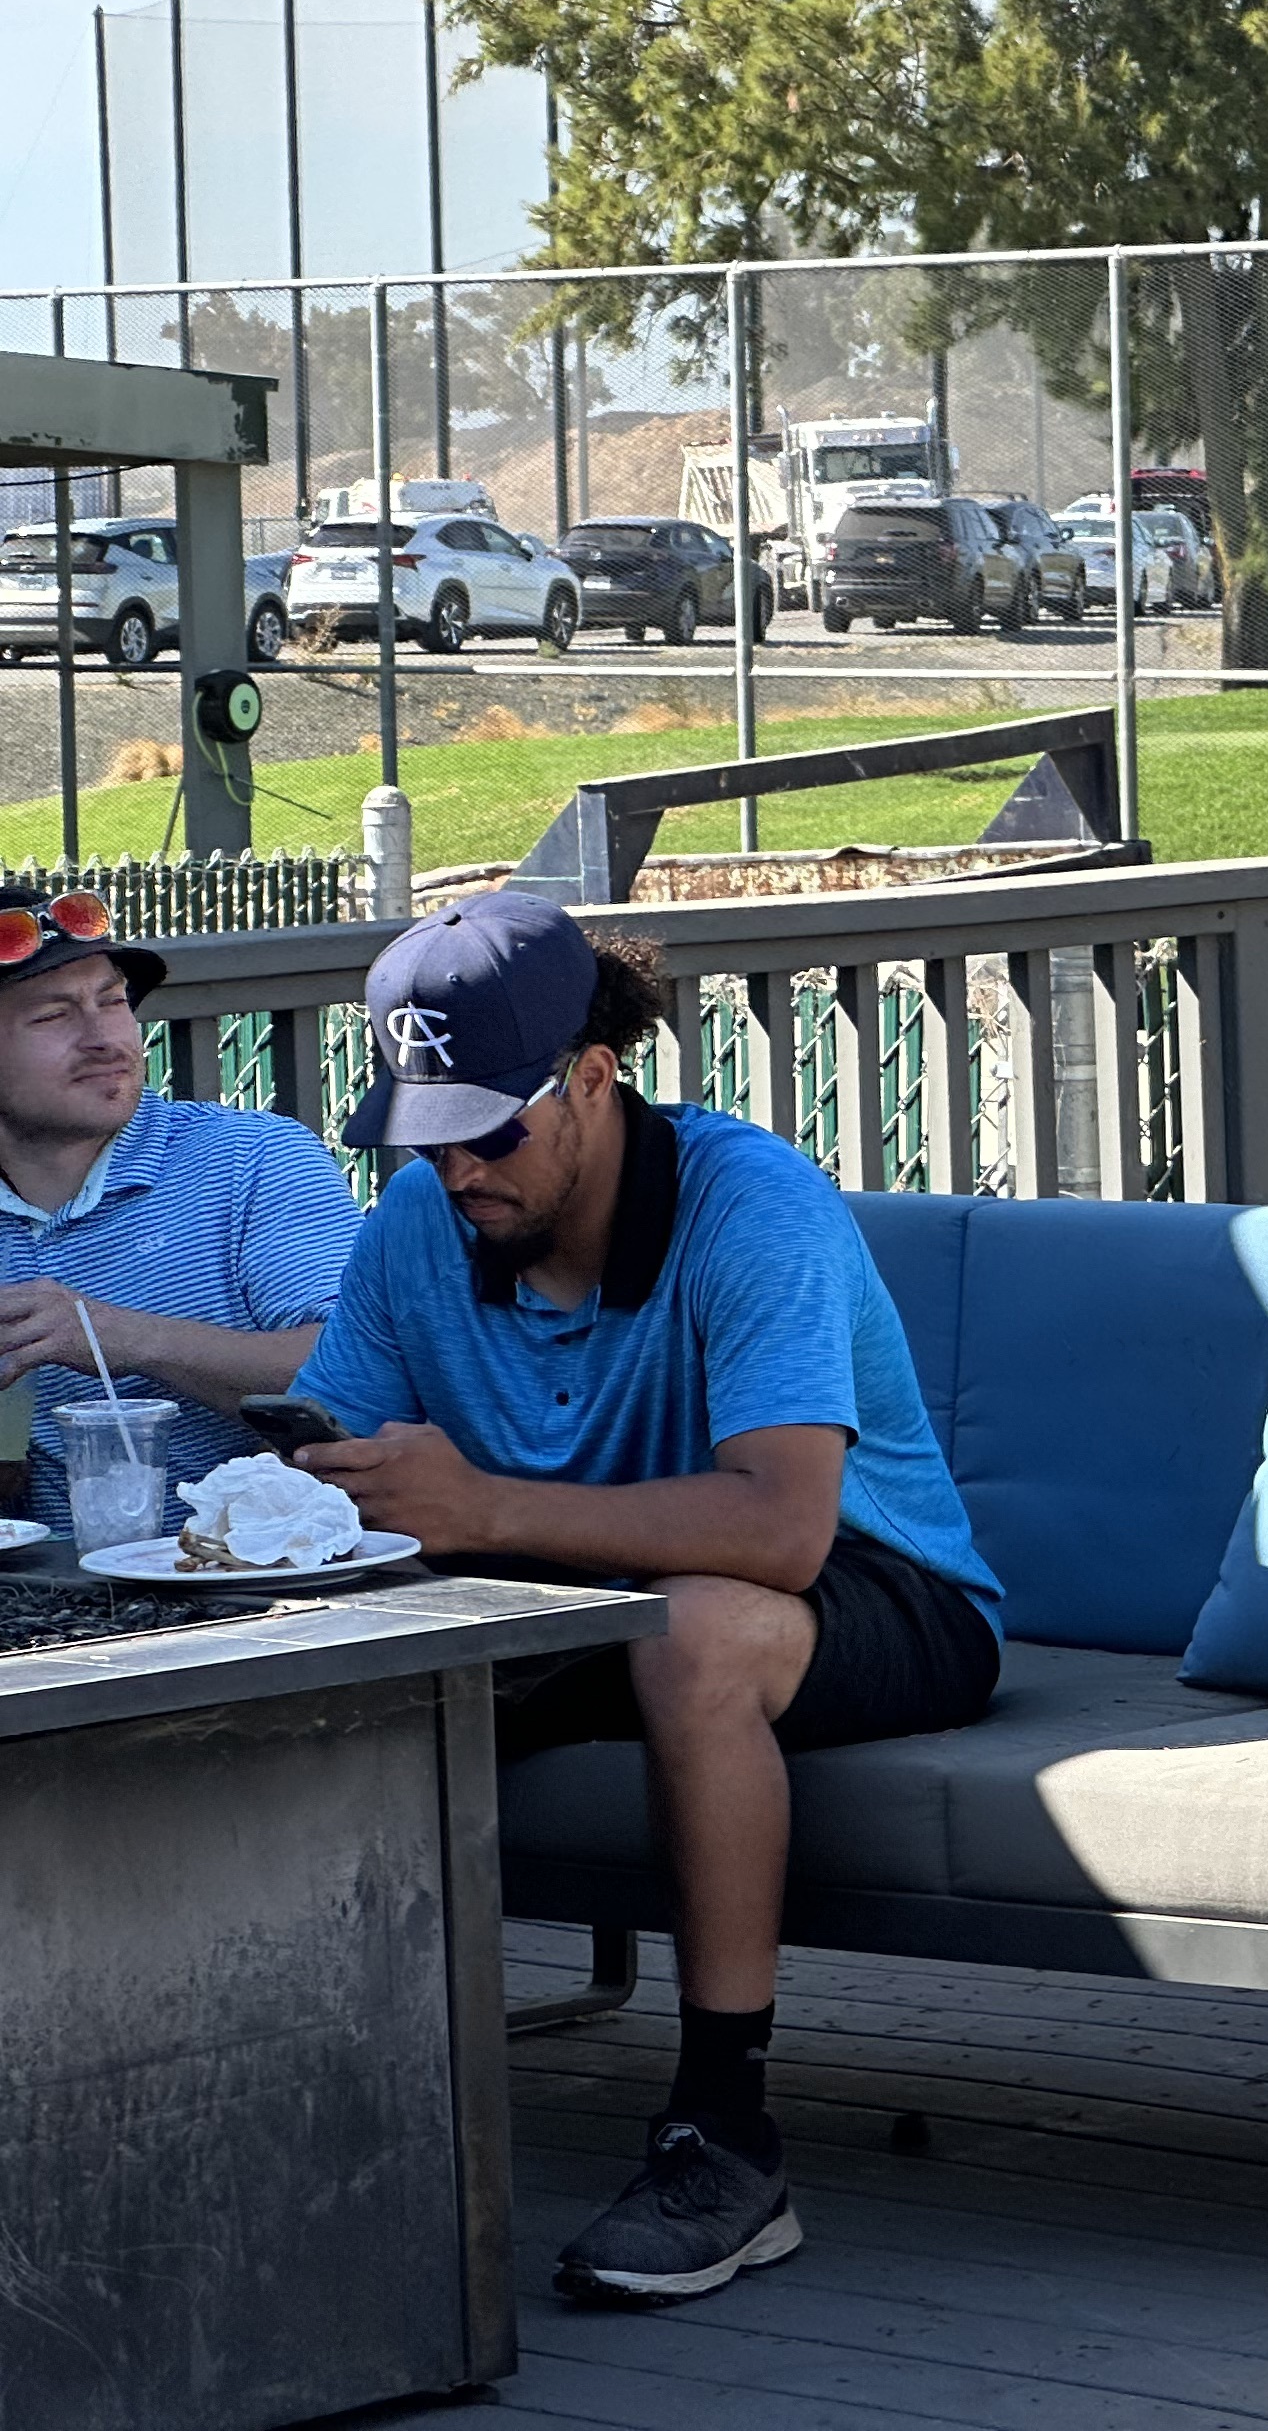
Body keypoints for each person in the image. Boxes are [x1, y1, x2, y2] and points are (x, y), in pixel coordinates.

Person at [289, 890, 1003, 2308]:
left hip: (876, 1585)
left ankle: (724, 2139)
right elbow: (335, 1456)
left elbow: (783, 1528)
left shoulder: (753, 1207)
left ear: (594, 1079)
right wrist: (300, 1501)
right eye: (423, 1138)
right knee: (328, 1657)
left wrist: (484, 1511)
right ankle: (308, 2101)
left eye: (489, 1131)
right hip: (567, 1588)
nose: (455, 1172)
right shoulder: (418, 1223)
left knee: (690, 1631)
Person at [0, 881, 360, 1529]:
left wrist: (117, 1336)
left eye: (113, 1002)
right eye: (53, 1016)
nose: (103, 1037)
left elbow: (358, 1373)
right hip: (44, 1589)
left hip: (264, 1579)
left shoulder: (253, 1160)